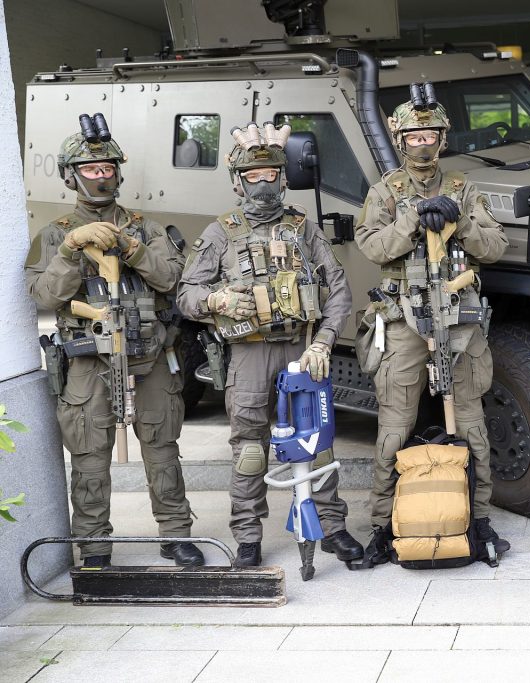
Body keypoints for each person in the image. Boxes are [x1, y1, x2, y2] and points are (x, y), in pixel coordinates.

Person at [176, 121, 363, 567]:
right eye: (253, 177)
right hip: (249, 355)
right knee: (249, 449)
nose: (263, 184)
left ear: (282, 177)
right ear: (239, 182)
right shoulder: (221, 232)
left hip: (302, 351)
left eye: (271, 175)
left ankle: (334, 527)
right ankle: (247, 537)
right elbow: (186, 295)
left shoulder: (304, 228)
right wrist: (216, 298)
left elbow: (338, 291)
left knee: (318, 441)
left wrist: (323, 343)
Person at [26, 115, 204, 568]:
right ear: (71, 175)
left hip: (151, 354)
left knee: (163, 448)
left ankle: (176, 533)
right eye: (90, 169)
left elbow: (176, 283)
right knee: (89, 456)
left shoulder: (148, 228)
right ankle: (94, 547)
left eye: (107, 168)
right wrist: (70, 250)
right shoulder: (52, 234)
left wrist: (133, 250)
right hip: (88, 360)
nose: (100, 175)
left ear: (118, 172)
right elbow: (44, 297)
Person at [351, 85, 510, 568]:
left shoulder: (464, 189)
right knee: (394, 428)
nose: (422, 142)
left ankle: (478, 520)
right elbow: (373, 248)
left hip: (459, 322)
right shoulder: (384, 192)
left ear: (443, 138)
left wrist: (458, 223)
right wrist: (412, 221)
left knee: (471, 424)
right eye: (413, 135)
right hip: (402, 321)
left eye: (431, 134)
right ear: (400, 141)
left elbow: (495, 247)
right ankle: (382, 527)